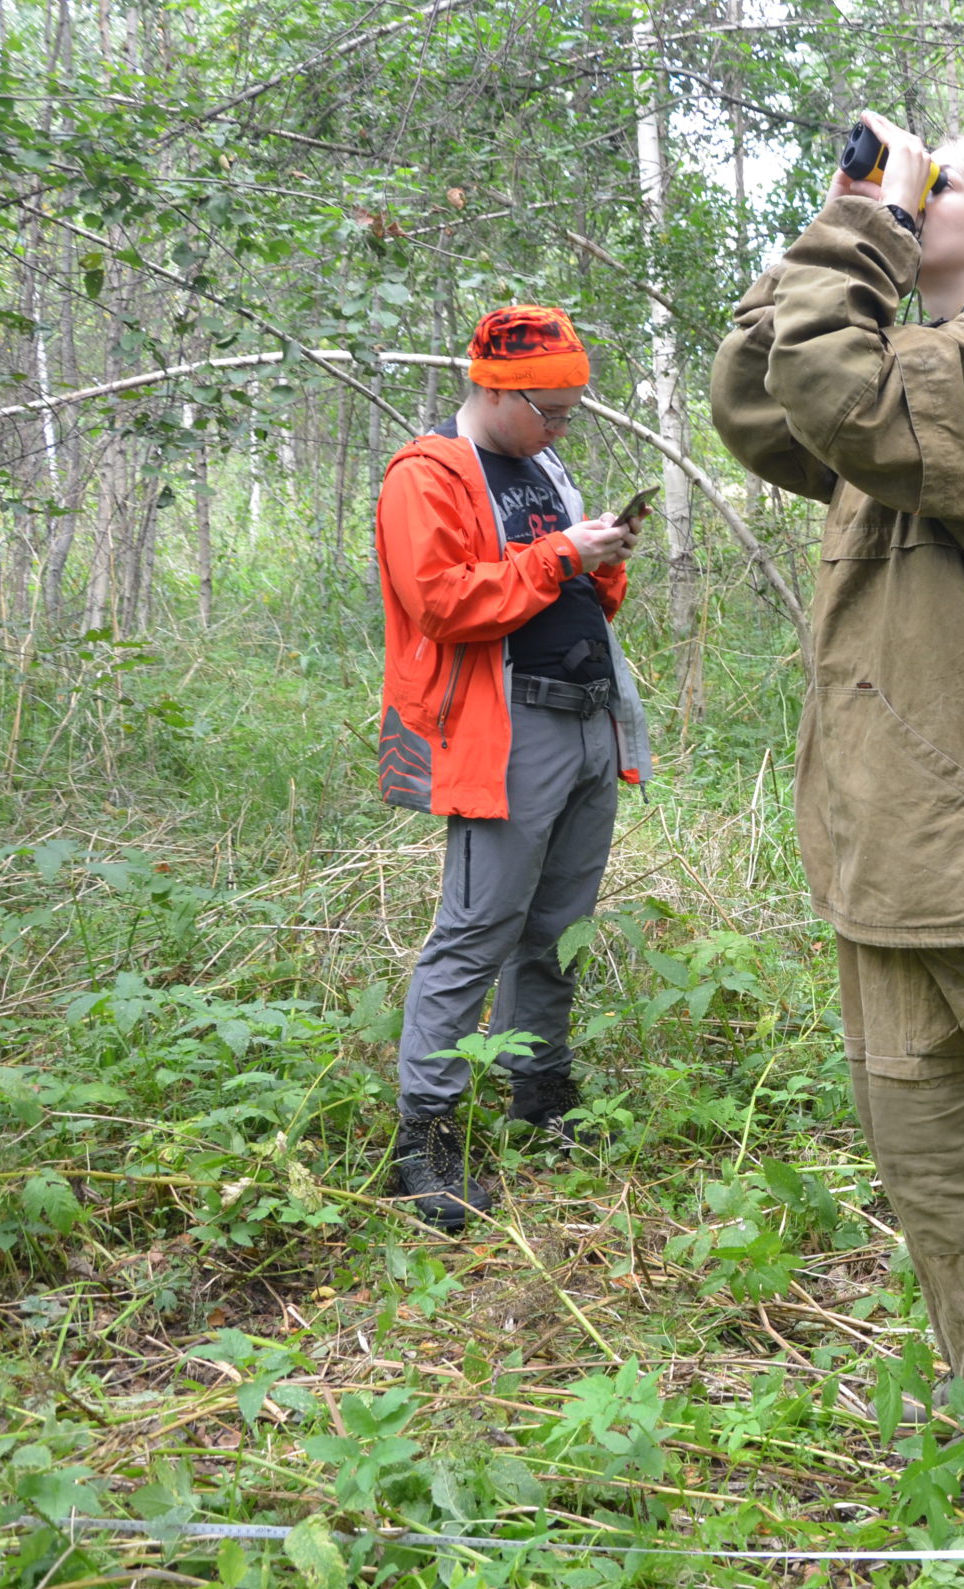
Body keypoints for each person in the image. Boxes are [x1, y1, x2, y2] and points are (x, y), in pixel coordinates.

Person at [710, 112, 964, 1448]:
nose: (914, 189)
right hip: (895, 809)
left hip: (962, 800)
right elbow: (758, 398)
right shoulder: (917, 358)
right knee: (922, 1130)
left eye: (947, 177)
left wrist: (865, 229)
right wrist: (850, 218)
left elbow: (840, 392)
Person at [373, 304, 653, 1230]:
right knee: (478, 928)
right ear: (497, 389)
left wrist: (596, 554)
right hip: (505, 731)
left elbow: (572, 593)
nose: (563, 427)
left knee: (559, 927)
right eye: (553, 410)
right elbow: (442, 601)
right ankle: (425, 1138)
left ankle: (540, 1095)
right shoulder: (428, 476)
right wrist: (558, 555)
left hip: (585, 724)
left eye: (572, 411)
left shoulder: (545, 467)